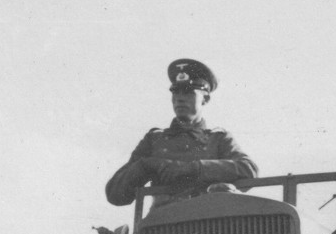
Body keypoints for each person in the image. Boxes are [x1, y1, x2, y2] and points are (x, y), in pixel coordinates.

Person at [105, 58, 258, 211]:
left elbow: (248, 169)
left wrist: (194, 168)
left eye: (188, 92)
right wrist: (144, 165)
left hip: (209, 224)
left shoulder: (218, 139)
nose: (179, 98)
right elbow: (115, 195)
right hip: (162, 225)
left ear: (205, 98)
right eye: (175, 92)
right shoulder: (154, 139)